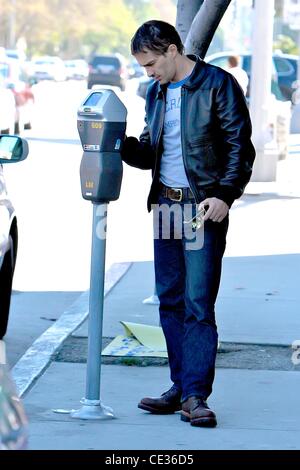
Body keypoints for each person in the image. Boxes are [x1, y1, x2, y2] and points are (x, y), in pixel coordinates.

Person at [121, 20, 255, 427]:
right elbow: (151, 148)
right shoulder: (155, 93)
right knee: (170, 300)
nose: (148, 73)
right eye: (144, 67)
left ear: (172, 50)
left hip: (201, 208)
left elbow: (239, 146)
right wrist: (120, 146)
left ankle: (197, 395)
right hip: (165, 205)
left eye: (150, 64)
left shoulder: (218, 84)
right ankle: (180, 386)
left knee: (198, 304)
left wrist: (225, 195)